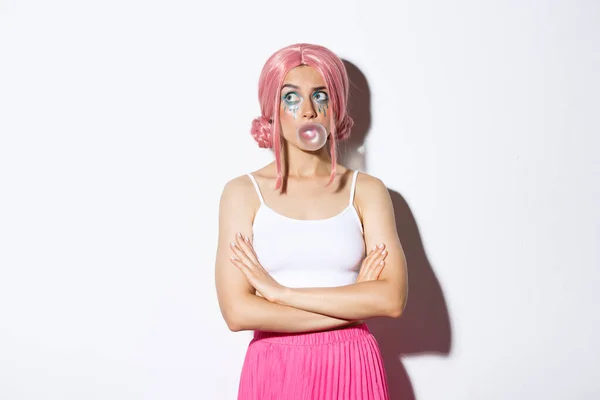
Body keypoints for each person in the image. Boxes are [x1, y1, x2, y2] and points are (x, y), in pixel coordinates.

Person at [214, 43, 408, 400]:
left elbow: (391, 299)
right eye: (291, 98)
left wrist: (278, 295)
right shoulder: (242, 193)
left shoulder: (366, 191)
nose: (307, 111)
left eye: (321, 96)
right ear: (272, 108)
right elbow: (237, 312)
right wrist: (353, 305)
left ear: (336, 108)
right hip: (275, 366)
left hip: (353, 364)